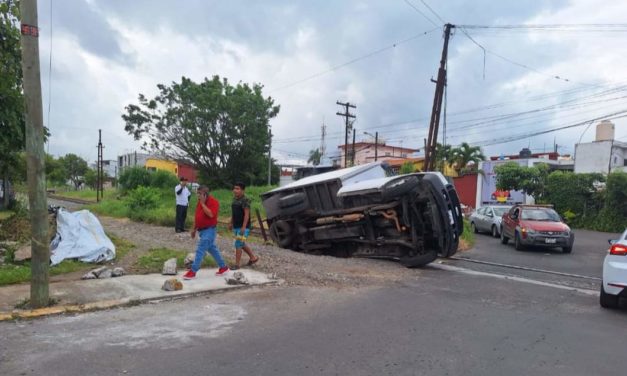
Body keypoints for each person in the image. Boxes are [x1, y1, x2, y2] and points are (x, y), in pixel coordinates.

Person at [183, 186, 229, 279]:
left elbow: (211, 214)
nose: (198, 195)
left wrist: (203, 204)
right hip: (201, 230)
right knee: (212, 249)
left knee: (200, 250)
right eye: (197, 193)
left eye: (200, 193)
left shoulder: (214, 202)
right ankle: (223, 267)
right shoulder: (199, 202)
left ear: (205, 194)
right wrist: (194, 229)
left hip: (209, 230)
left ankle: (193, 271)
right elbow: (197, 216)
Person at [228, 182, 259, 270]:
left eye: (237, 189)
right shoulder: (234, 199)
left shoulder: (246, 200)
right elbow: (233, 213)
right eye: (234, 188)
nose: (235, 190)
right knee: (241, 243)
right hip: (236, 226)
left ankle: (237, 265)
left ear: (242, 190)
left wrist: (244, 227)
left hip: (243, 227)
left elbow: (246, 215)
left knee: (238, 244)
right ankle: (253, 258)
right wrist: (230, 222)